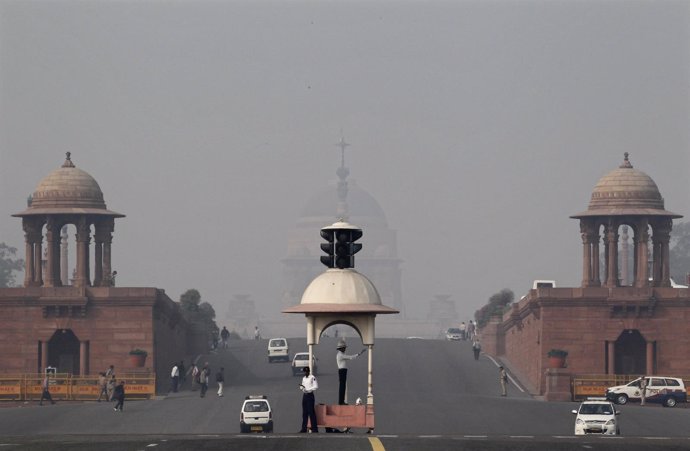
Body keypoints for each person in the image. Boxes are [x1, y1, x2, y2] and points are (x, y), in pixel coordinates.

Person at [335, 339, 366, 405]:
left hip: (343, 371)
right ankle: (341, 402)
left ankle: (341, 401)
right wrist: (359, 354)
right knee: (342, 387)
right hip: (342, 371)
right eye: (344, 348)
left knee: (343, 386)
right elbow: (350, 357)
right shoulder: (340, 355)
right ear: (341, 348)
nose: (345, 349)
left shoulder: (340, 354)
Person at [299, 366, 319, 433]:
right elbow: (302, 385)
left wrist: (308, 389)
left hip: (310, 396)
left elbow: (316, 386)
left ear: (309, 371)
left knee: (311, 412)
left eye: (307, 371)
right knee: (304, 413)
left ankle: (315, 429)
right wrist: (302, 388)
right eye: (305, 372)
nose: (306, 373)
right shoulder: (303, 378)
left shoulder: (312, 377)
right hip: (304, 396)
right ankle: (304, 428)